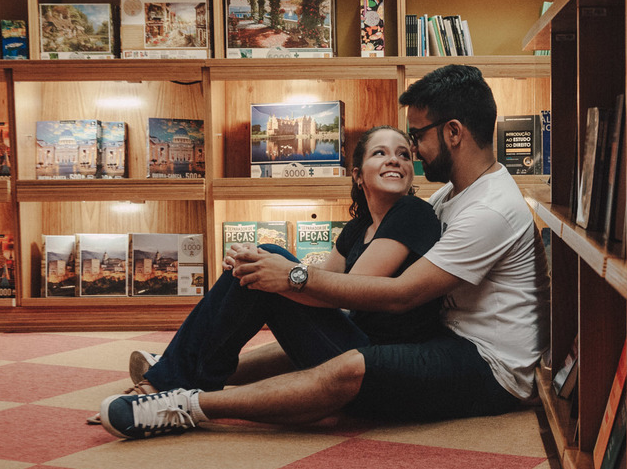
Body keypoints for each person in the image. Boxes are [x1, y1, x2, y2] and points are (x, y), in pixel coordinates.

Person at [99, 64, 550, 439]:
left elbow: (402, 294)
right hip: (440, 334)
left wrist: (293, 276)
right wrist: (275, 270)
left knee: (348, 367)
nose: (412, 150)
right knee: (269, 267)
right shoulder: (451, 195)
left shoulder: (491, 208)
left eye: (416, 136)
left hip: (488, 366)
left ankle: (185, 404)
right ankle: (175, 373)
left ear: (453, 132)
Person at [88, 123, 442, 425]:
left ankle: (169, 378)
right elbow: (321, 285)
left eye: (403, 154)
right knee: (261, 260)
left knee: (268, 256)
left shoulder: (413, 212)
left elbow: (350, 292)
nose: (394, 159)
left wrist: (272, 271)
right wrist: (256, 266)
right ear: (357, 174)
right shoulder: (357, 228)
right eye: (380, 153)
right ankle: (174, 377)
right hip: (352, 344)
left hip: (377, 360)